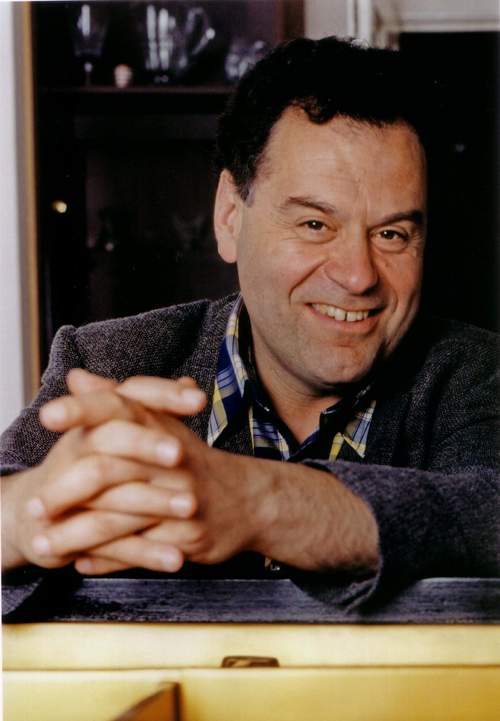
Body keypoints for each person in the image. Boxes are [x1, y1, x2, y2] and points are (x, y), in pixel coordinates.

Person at [2, 36, 499, 615]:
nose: (358, 275)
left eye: (391, 235)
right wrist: (24, 516)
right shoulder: (110, 362)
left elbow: (486, 510)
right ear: (229, 217)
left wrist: (255, 501)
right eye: (315, 225)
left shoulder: (474, 373)